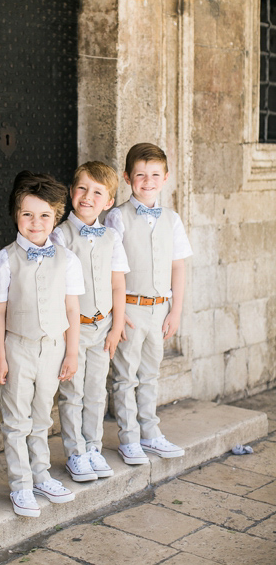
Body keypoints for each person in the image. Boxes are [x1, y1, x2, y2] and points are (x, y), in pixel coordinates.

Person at [0, 171, 83, 517]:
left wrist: (71, 351)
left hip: (54, 348)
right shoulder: (3, 261)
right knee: (16, 418)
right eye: (27, 214)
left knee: (43, 414)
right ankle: (20, 484)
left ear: (56, 216)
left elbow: (72, 308)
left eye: (45, 215)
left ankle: (41, 473)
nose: (36, 222)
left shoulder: (67, 259)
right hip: (17, 346)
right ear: (16, 215)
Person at [104, 143, 193, 464]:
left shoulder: (172, 219)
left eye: (155, 174)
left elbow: (178, 266)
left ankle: (151, 432)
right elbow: (109, 268)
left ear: (165, 177)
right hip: (129, 308)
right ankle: (128, 438)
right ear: (128, 177)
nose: (148, 181)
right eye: (140, 175)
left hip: (160, 309)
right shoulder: (118, 217)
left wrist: (176, 310)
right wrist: (118, 312)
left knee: (151, 373)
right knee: (125, 376)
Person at [49, 162, 129, 483]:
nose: (87, 197)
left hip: (103, 326)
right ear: (71, 193)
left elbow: (118, 285)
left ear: (108, 202)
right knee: (72, 393)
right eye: (81, 188)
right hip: (74, 329)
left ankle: (94, 447)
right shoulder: (60, 235)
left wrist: (117, 326)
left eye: (98, 192)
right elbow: (58, 290)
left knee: (97, 390)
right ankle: (75, 452)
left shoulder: (112, 236)